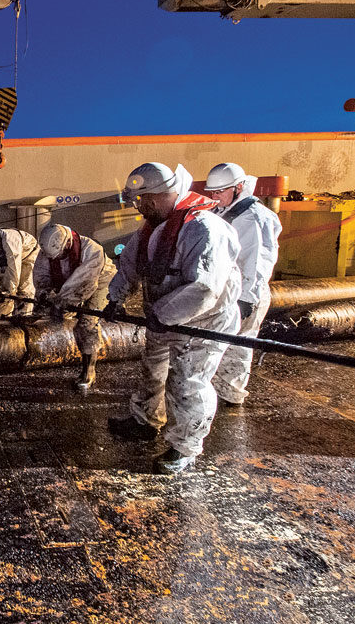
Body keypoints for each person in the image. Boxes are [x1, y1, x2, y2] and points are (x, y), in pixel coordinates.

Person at [104, 162, 242, 474]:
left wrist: (162, 315)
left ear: (156, 197)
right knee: (152, 369)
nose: (139, 207)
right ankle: (145, 420)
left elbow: (204, 288)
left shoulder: (203, 229)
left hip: (202, 323)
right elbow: (130, 265)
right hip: (162, 317)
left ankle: (185, 447)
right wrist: (115, 297)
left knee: (187, 383)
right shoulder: (151, 228)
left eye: (142, 201)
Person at [205, 163, 282, 406]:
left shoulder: (253, 217)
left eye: (220, 191)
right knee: (220, 342)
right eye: (212, 192)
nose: (215, 197)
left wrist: (247, 298)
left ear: (239, 187)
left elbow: (257, 261)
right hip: (227, 289)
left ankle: (230, 393)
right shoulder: (225, 210)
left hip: (246, 291)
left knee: (239, 343)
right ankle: (217, 389)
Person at [33, 224, 117, 392]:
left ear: (68, 243)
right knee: (46, 311)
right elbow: (41, 275)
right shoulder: (47, 252)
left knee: (86, 324)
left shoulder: (92, 250)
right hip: (70, 283)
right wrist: (44, 293)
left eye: (61, 255)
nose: (58, 259)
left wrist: (62, 305)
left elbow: (84, 286)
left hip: (101, 282)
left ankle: (89, 372)